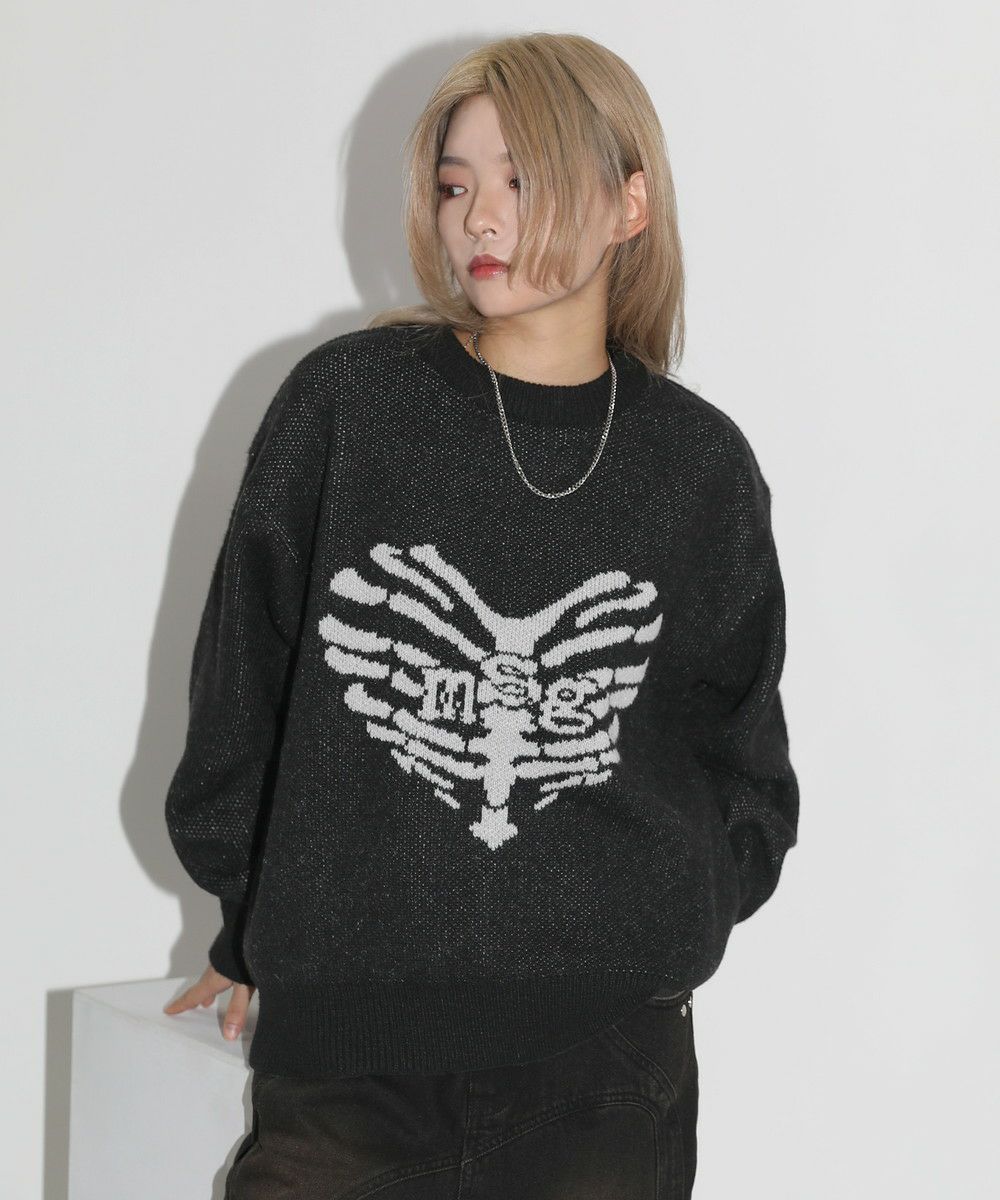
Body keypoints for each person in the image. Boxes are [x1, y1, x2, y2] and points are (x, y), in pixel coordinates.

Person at [162, 31, 799, 1199]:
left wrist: (661, 926)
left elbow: (741, 751)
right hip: (351, 1062)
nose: (480, 218)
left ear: (628, 203)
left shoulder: (696, 464)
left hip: (605, 1066)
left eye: (522, 178)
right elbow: (244, 681)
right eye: (455, 186)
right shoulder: (350, 403)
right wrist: (251, 922)